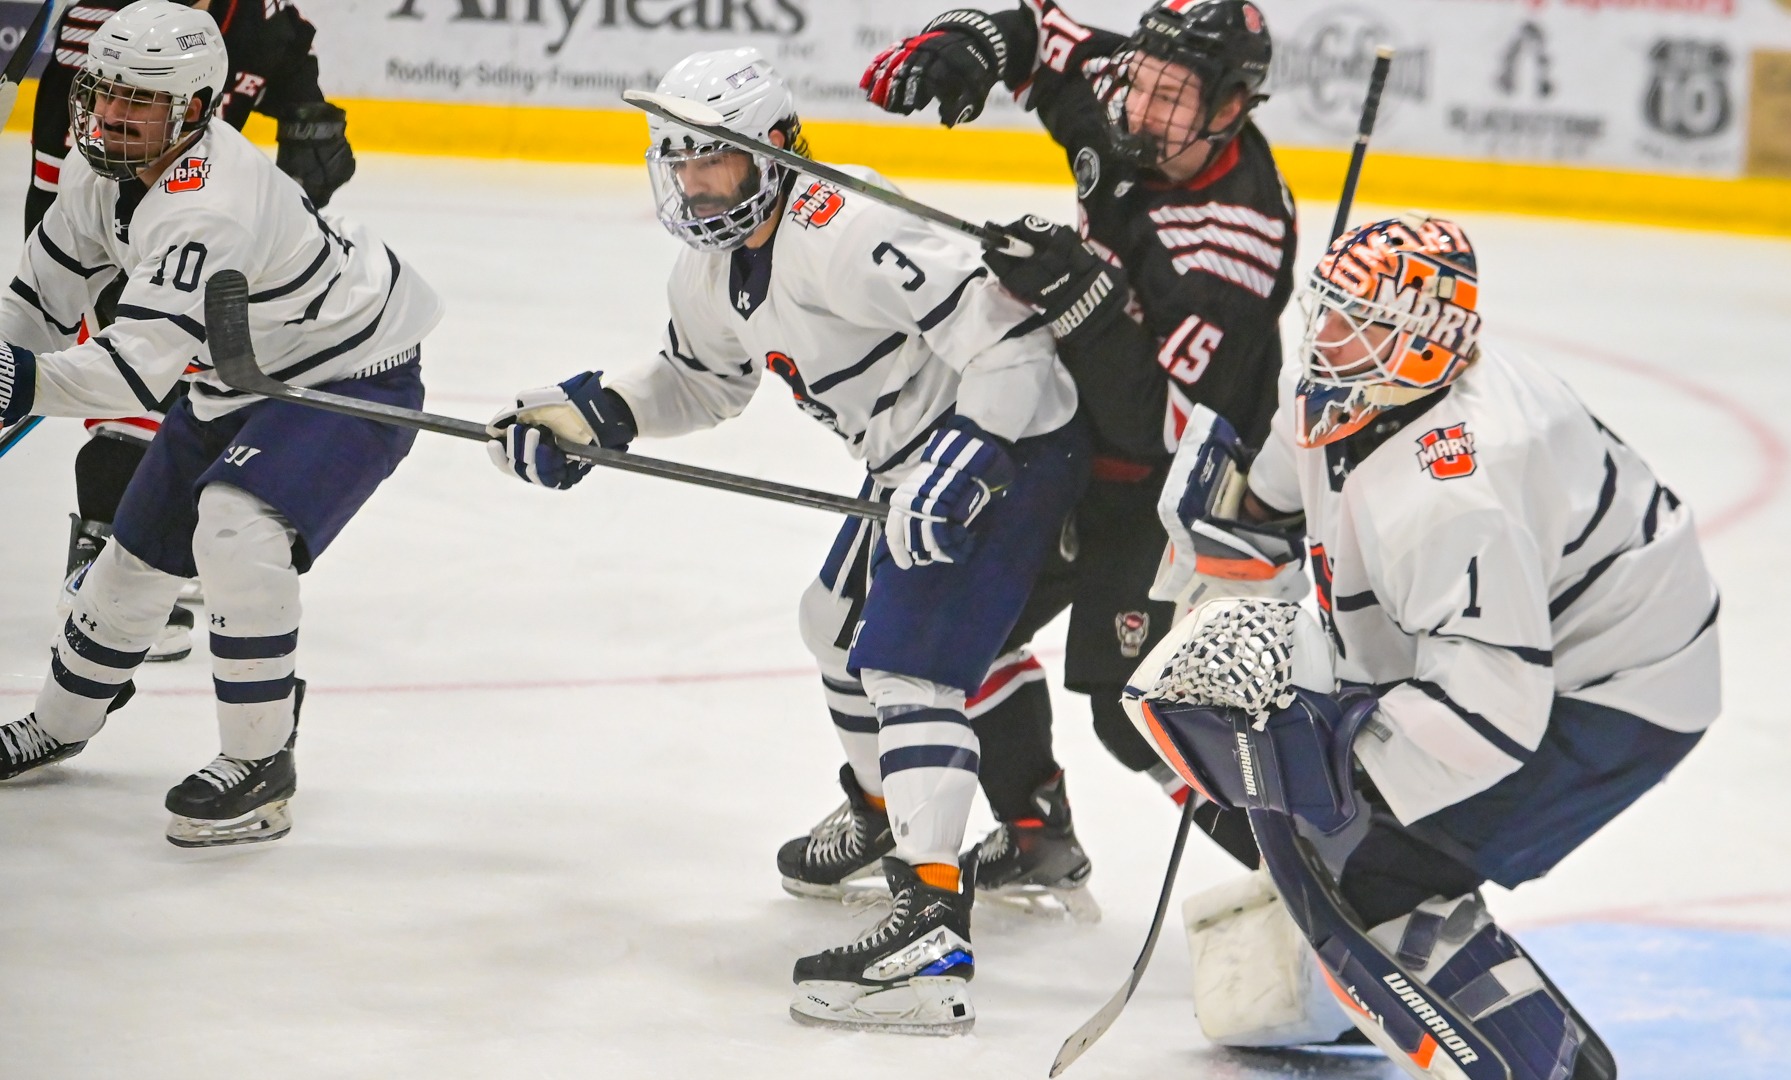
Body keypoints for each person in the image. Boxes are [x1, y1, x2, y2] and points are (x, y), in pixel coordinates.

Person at [484, 49, 1086, 1034]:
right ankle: (901, 815)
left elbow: (1012, 345)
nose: (690, 183)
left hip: (1017, 439)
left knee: (904, 666)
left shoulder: (849, 227)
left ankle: (931, 928)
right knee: (833, 623)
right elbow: (699, 385)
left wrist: (971, 454)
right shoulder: (707, 274)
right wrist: (588, 416)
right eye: (676, 162)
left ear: (774, 152)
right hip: (917, 459)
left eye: (710, 163)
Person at [1137, 213, 1720, 1073]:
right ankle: (1334, 1001)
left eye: (1351, 322)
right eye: (1323, 308)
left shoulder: (1456, 493)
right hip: (1546, 633)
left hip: (1624, 682)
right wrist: (1246, 521)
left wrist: (1329, 752)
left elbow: (1492, 714)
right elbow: (1284, 470)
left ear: (1418, 346)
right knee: (1306, 813)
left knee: (1379, 864)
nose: (1321, 337)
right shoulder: (1359, 379)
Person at [848, 0, 1299, 907]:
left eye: (1176, 96)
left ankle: (1318, 877)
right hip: (1071, 436)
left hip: (1175, 488)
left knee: (1139, 716)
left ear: (1234, 105)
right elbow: (1035, 30)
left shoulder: (1233, 243)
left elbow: (1164, 430)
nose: (1141, 111)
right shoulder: (1128, 98)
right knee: (958, 634)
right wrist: (961, 46)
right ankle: (1035, 834)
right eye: (1145, 82)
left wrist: (1082, 303)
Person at [0, 0, 440, 850]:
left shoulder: (209, 206)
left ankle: (261, 763)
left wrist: (15, 383)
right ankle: (58, 723)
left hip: (346, 375)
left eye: (143, 101)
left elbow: (128, 371)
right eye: (106, 93)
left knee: (235, 531)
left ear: (197, 107)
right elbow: (35, 307)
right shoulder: (104, 176)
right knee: (132, 560)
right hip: (236, 374)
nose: (114, 116)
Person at [29, 0, 357, 663]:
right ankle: (107, 542)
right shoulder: (109, 22)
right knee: (137, 369)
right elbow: (74, 147)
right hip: (120, 209)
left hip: (199, 221)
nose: (116, 109)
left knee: (193, 376)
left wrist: (310, 118)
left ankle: (160, 536)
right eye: (113, 96)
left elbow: (293, 92)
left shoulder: (262, 21)